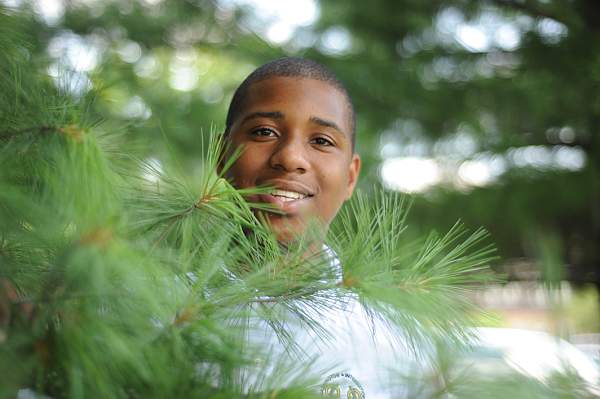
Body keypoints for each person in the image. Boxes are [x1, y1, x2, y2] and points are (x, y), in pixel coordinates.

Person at [221, 57, 414, 399]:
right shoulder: (153, 312)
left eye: (322, 141)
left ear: (351, 177)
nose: (291, 157)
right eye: (264, 132)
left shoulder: (394, 341)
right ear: (221, 158)